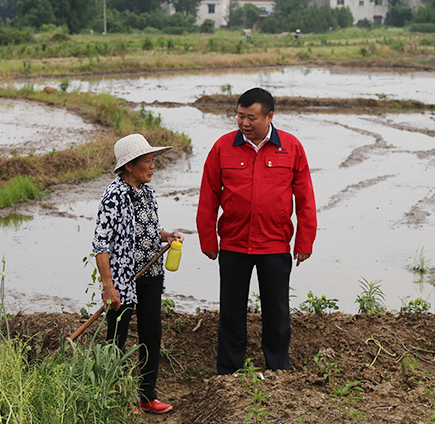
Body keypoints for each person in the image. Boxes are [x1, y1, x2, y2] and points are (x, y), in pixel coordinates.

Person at [196, 87, 317, 375]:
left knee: (276, 312)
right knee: (231, 311)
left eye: (251, 117)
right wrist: (208, 239)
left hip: (274, 244)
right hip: (234, 244)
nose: (244, 123)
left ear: (270, 117)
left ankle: (277, 369)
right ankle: (228, 371)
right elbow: (208, 196)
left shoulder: (291, 147)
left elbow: (305, 198)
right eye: (240, 116)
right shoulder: (222, 147)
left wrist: (304, 241)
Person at [92, 133, 184, 414]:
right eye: (147, 160)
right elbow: (101, 243)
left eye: (153, 159)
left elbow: (145, 230)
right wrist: (109, 285)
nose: (153, 165)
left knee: (151, 333)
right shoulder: (114, 195)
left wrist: (166, 235)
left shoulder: (147, 192)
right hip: (124, 278)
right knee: (117, 337)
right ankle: (115, 397)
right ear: (129, 165)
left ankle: (147, 396)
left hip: (151, 272)